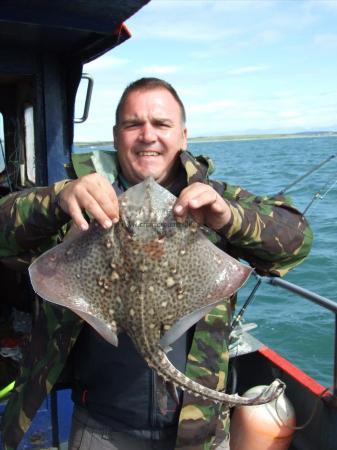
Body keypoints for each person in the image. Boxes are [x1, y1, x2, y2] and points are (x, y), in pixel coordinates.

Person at [0, 78, 313, 450]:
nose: (148, 135)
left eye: (161, 124)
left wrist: (228, 216)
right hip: (102, 425)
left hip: (200, 434)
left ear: (182, 136)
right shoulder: (78, 201)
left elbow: (296, 240)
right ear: (116, 136)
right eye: (134, 124)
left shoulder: (214, 199)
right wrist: (55, 199)